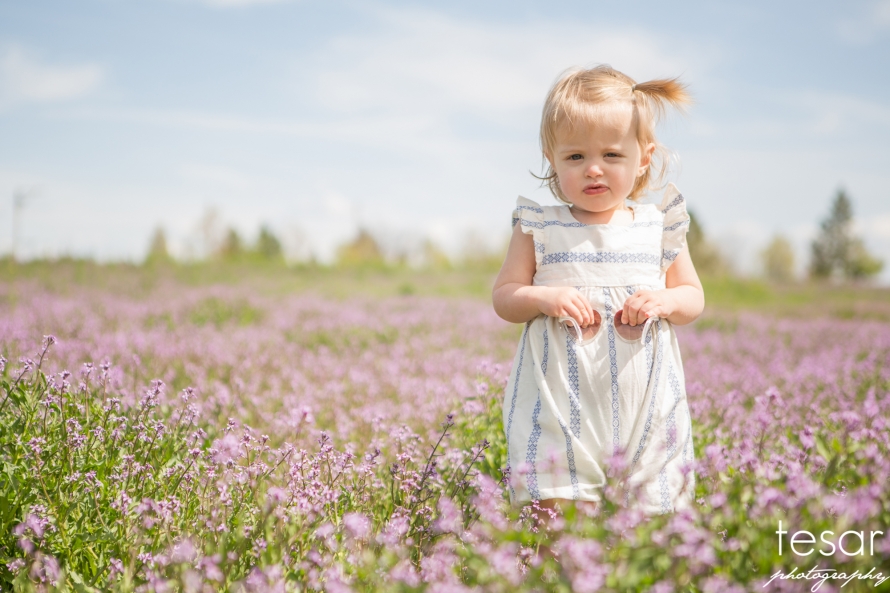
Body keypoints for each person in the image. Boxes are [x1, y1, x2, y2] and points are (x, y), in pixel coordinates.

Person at [492, 65, 704, 519]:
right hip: (560, 399)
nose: (593, 169)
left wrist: (666, 301)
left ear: (643, 157)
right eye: (574, 157)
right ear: (552, 158)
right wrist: (542, 298)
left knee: (650, 509)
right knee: (559, 506)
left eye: (611, 155)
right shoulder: (540, 226)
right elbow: (505, 295)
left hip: (644, 401)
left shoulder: (657, 226)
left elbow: (691, 296)